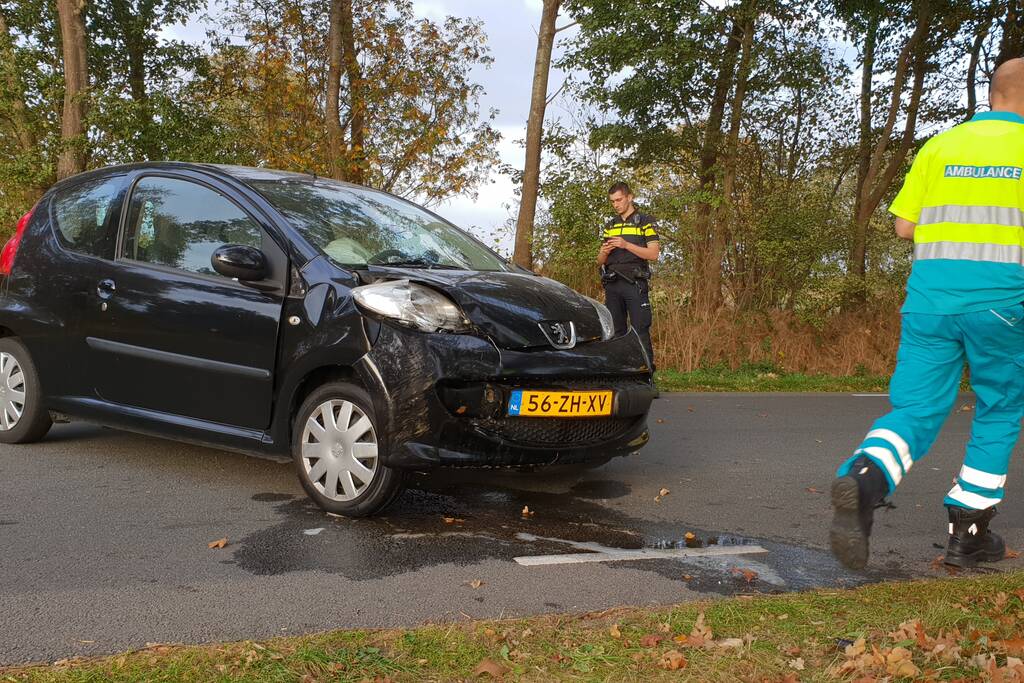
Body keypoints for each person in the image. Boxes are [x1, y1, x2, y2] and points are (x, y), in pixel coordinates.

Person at [830, 58, 1024, 570]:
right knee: (999, 408)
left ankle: (865, 478)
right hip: (1005, 304)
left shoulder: (940, 146)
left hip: (929, 303)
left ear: (992, 94)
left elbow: (903, 226)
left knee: (914, 410)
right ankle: (970, 530)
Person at [597, 182, 660, 374]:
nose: (616, 204)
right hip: (613, 284)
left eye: (619, 200)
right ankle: (620, 377)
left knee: (640, 330)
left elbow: (654, 254)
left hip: (635, 283)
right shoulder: (611, 225)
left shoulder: (645, 222)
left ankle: (647, 378)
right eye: (612, 202)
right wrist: (603, 252)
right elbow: (599, 261)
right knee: (616, 333)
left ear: (629, 197)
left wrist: (626, 245)